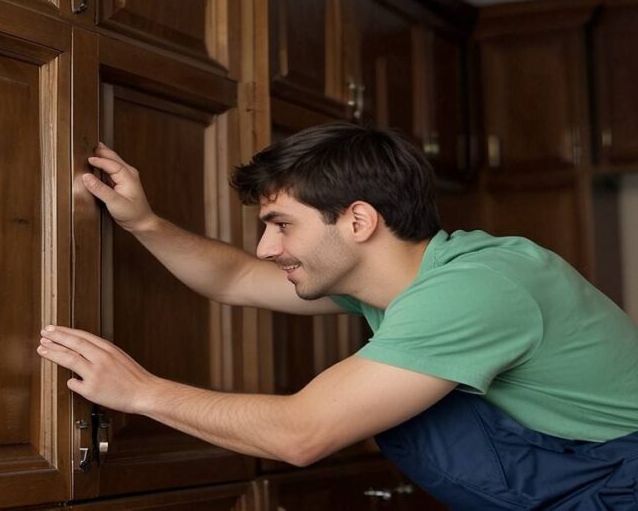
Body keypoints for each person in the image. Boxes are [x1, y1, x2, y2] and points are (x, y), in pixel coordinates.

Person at [37, 122, 638, 510]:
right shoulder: (403, 280)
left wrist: (140, 393)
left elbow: (302, 434)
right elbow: (235, 278)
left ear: (357, 220)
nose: (268, 249)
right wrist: (144, 222)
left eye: (280, 225)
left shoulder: (471, 292)